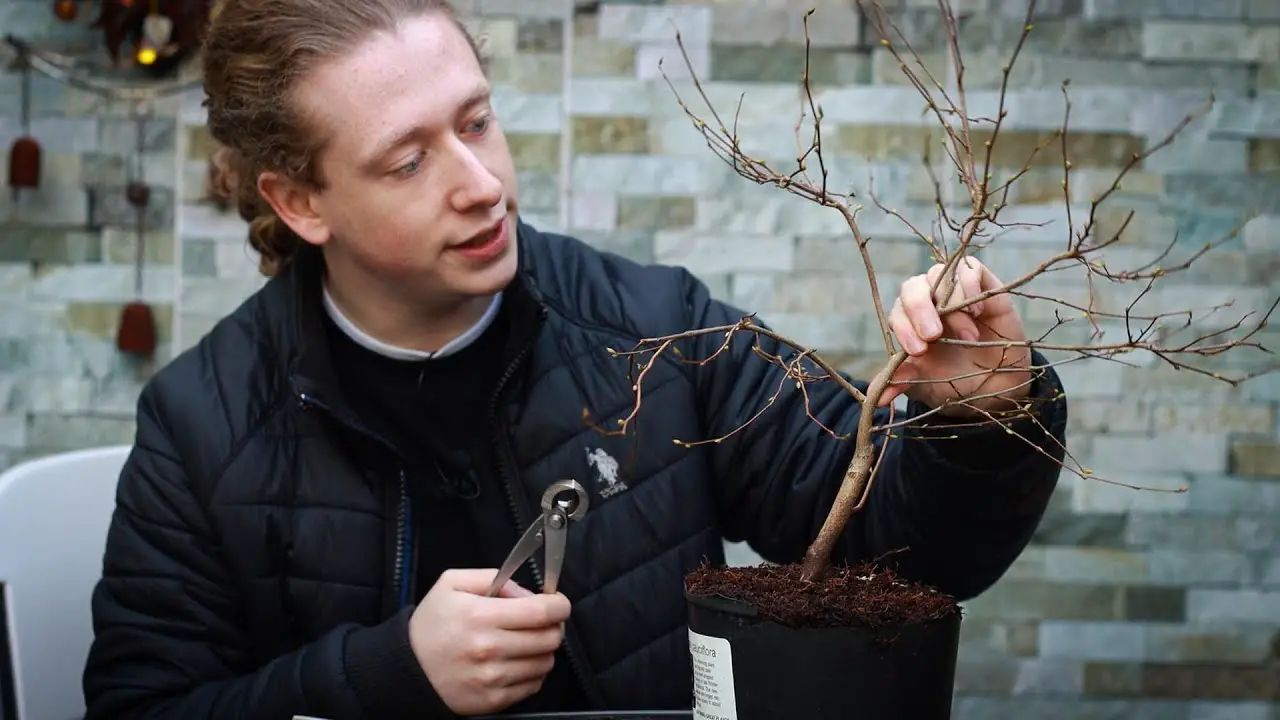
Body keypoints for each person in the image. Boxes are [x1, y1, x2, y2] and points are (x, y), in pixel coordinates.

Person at [80, 0, 1069, 717]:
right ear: (300, 202)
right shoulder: (201, 422)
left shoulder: (654, 329)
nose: (481, 186)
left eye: (476, 123)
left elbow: (906, 561)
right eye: (408, 159)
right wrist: (389, 675)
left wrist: (980, 420)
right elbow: (144, 705)